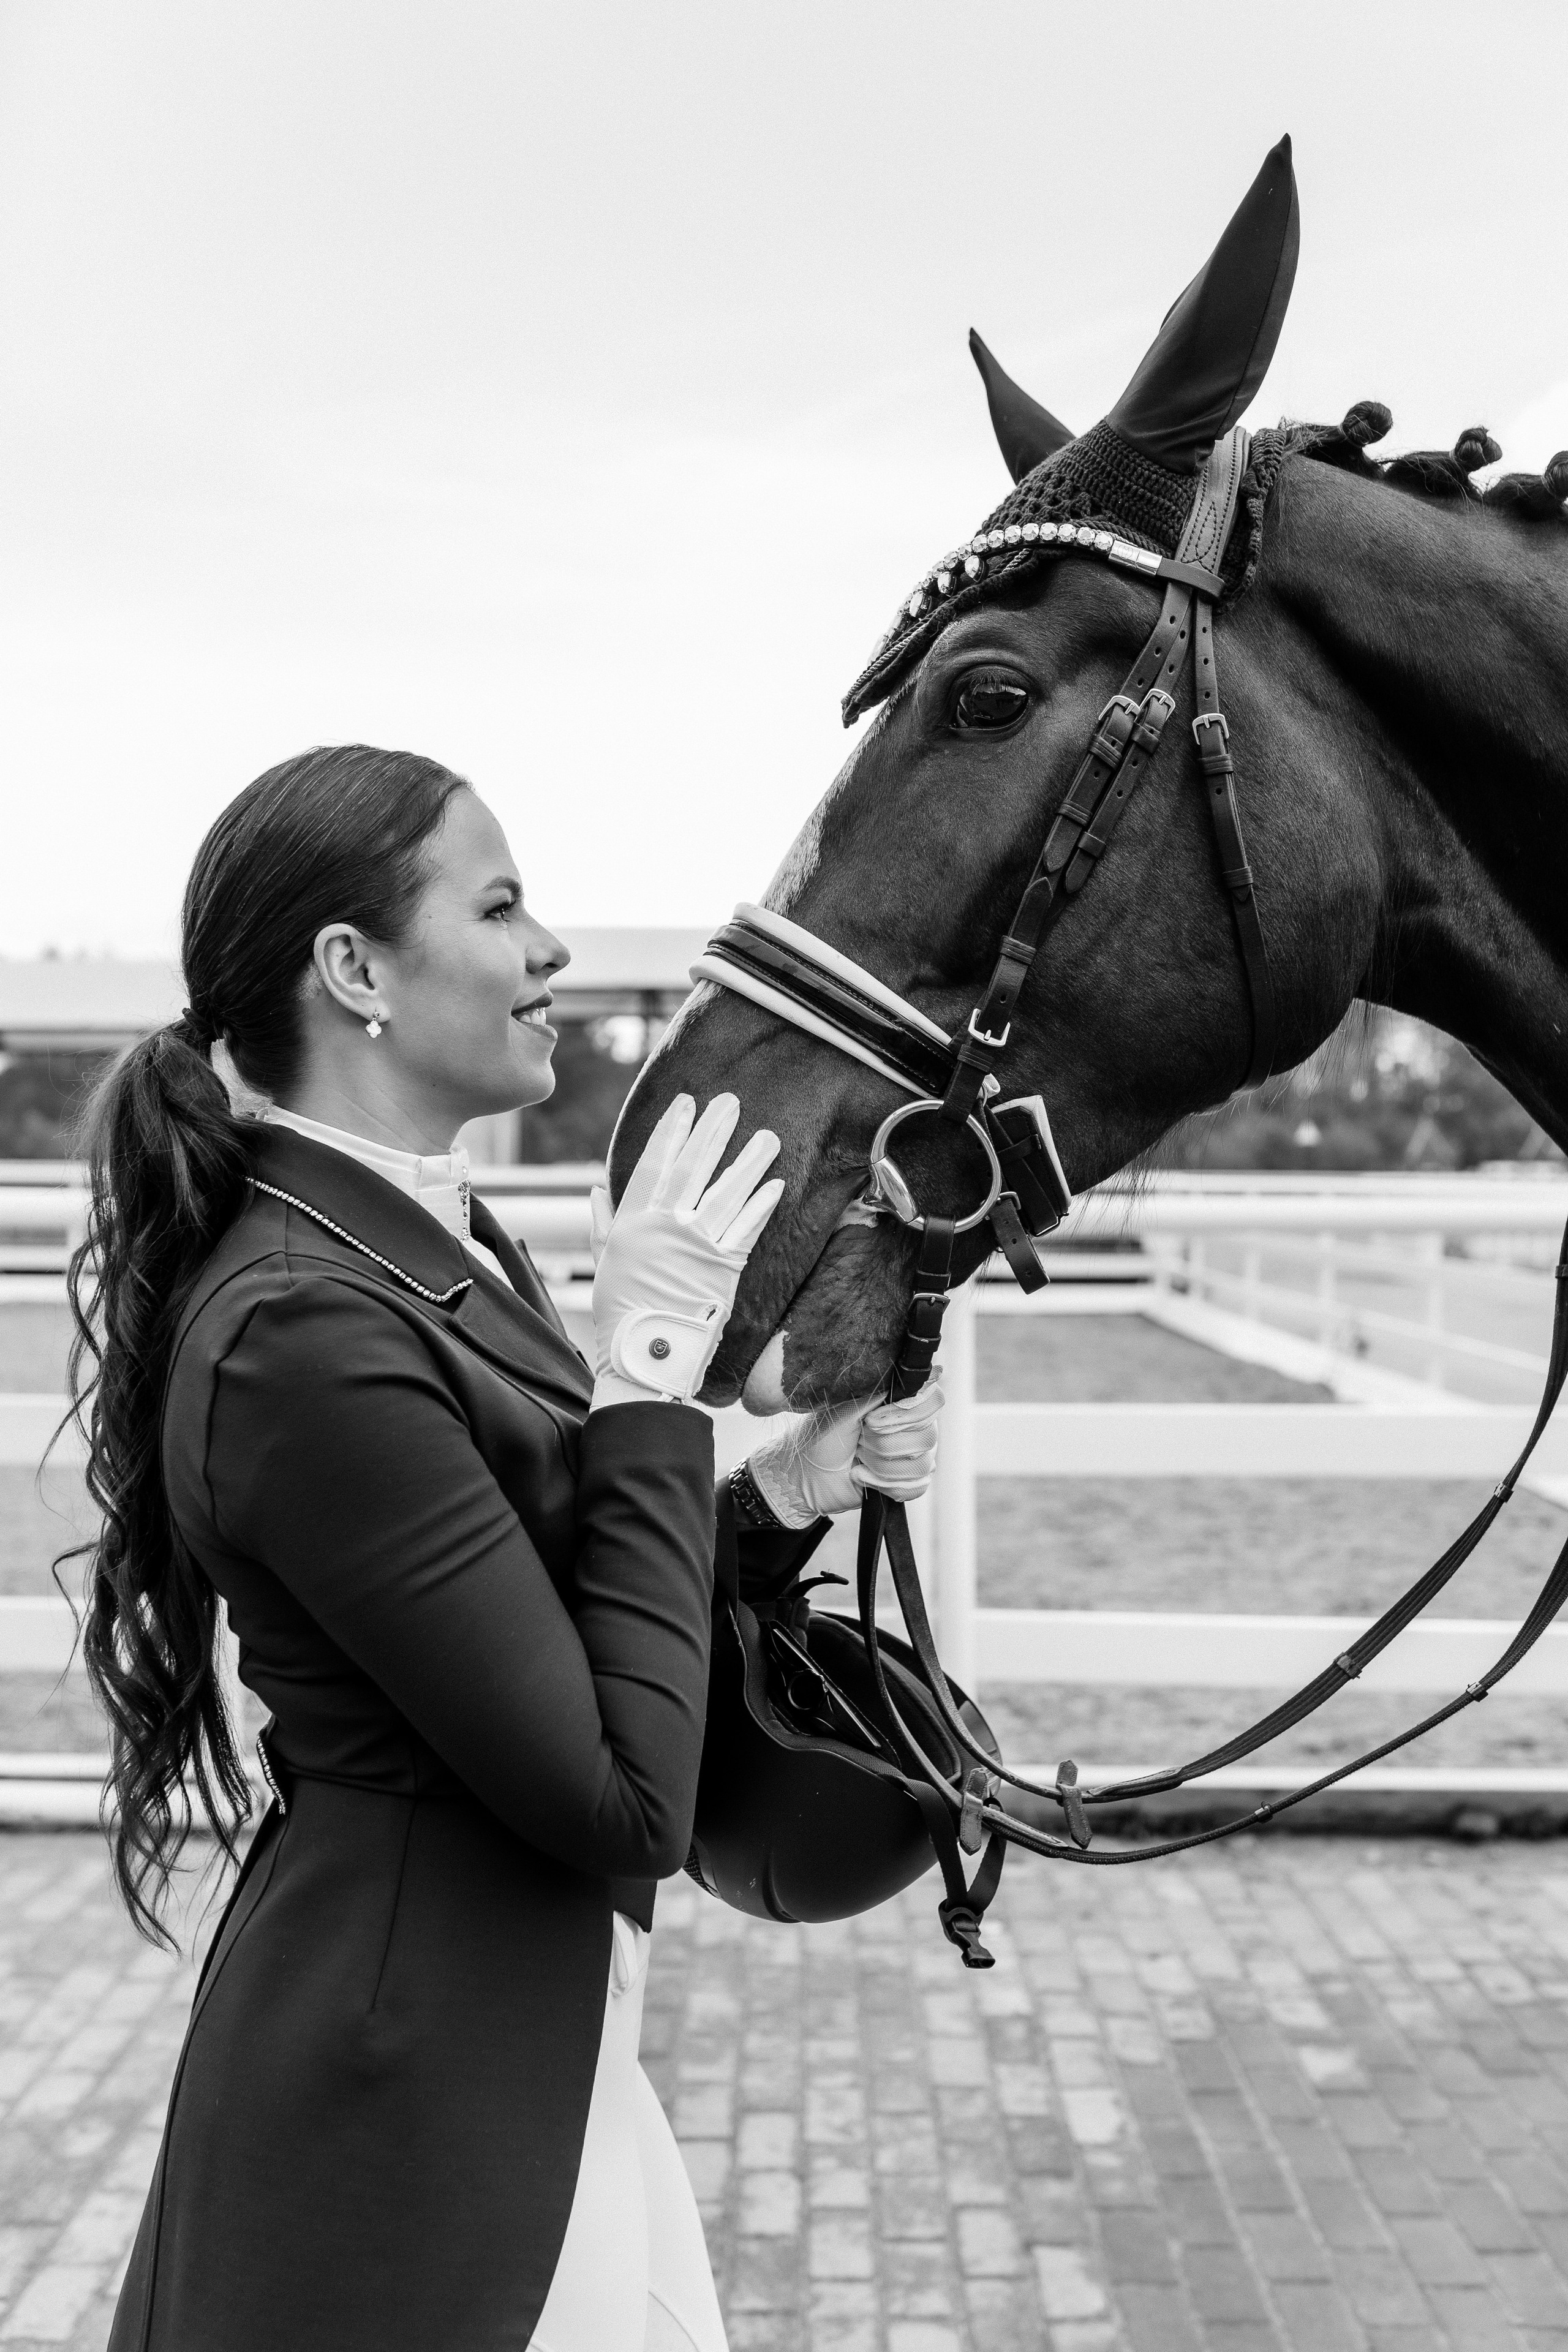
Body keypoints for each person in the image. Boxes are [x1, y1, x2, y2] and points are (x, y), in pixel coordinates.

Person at [72, 744, 944, 2352]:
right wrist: (650, 1375)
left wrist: (780, 1496)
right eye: (498, 906)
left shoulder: (422, 1247)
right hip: (413, 2112)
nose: (550, 948)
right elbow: (618, 1796)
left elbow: (555, 1606)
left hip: (534, 2053)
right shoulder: (300, 1328)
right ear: (356, 973)